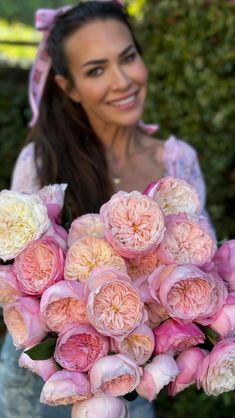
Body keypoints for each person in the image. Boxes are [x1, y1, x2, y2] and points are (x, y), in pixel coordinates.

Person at [0, 1, 210, 417]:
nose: (122, 81)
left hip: (124, 386)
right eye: (96, 70)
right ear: (68, 86)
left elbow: (201, 267)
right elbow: (11, 279)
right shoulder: (40, 163)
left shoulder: (178, 162)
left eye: (128, 58)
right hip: (42, 383)